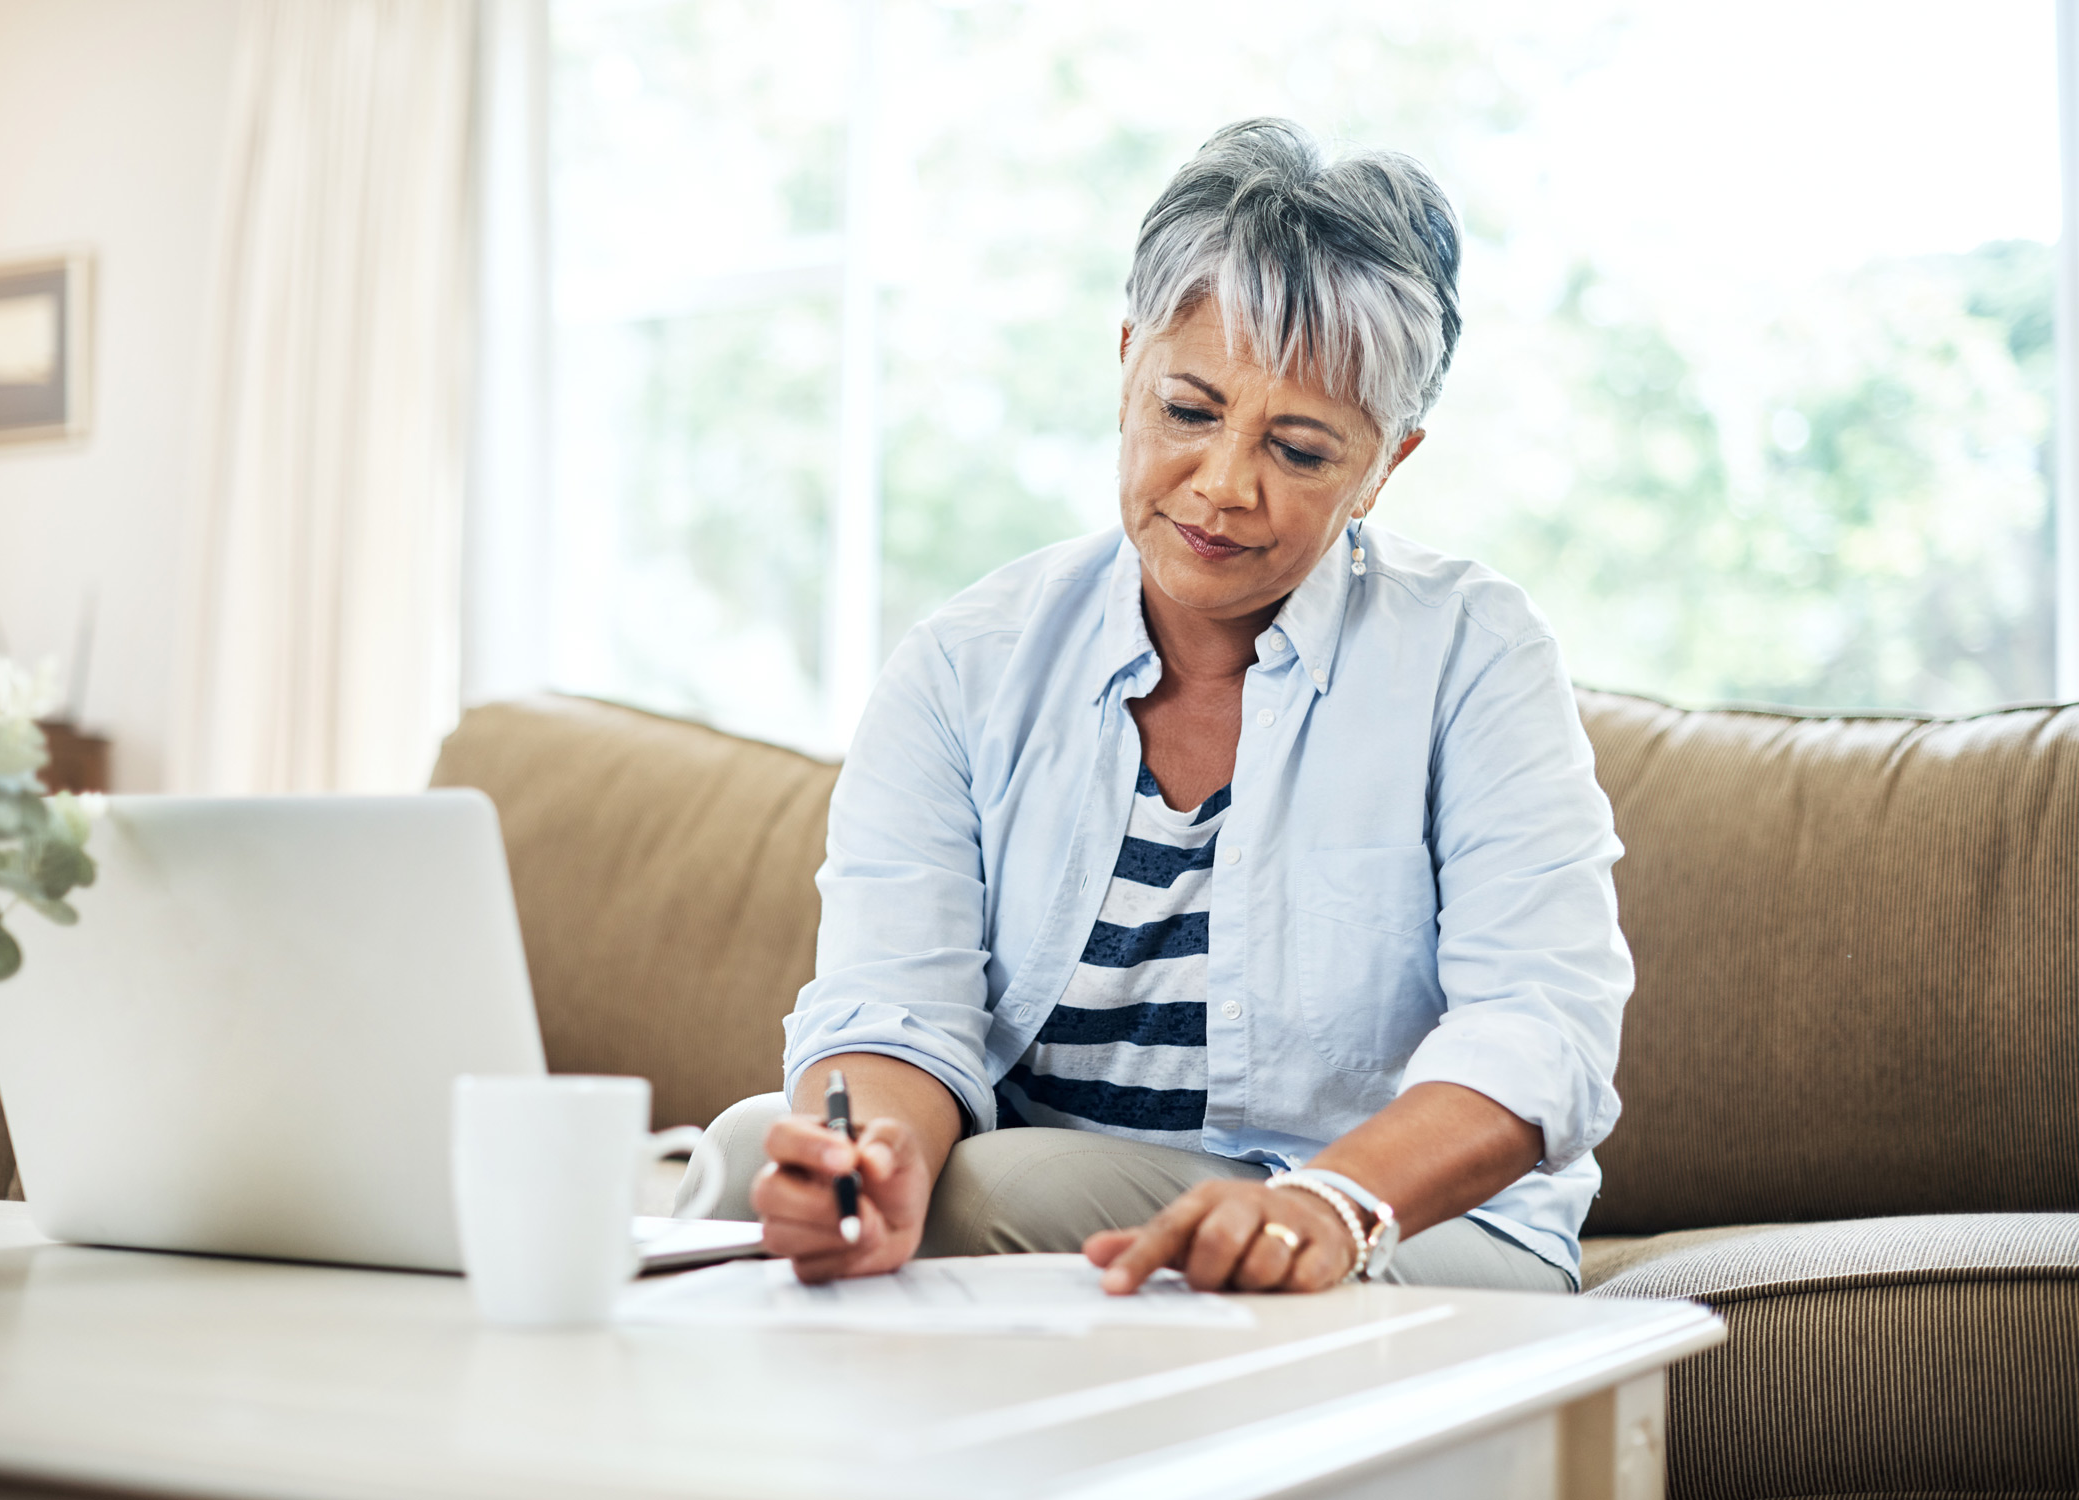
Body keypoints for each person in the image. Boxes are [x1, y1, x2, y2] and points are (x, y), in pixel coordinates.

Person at [689, 118, 1630, 1296]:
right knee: (743, 1159)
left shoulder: (1471, 655)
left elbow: (1542, 1028)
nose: (1225, 485)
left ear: (1387, 463)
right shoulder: (964, 664)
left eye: (1298, 449)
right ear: (1128, 356)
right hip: (1060, 1192)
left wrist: (1329, 1202)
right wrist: (868, 1162)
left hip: (1398, 1228)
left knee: (1002, 1190)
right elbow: (895, 1009)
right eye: (1188, 411)